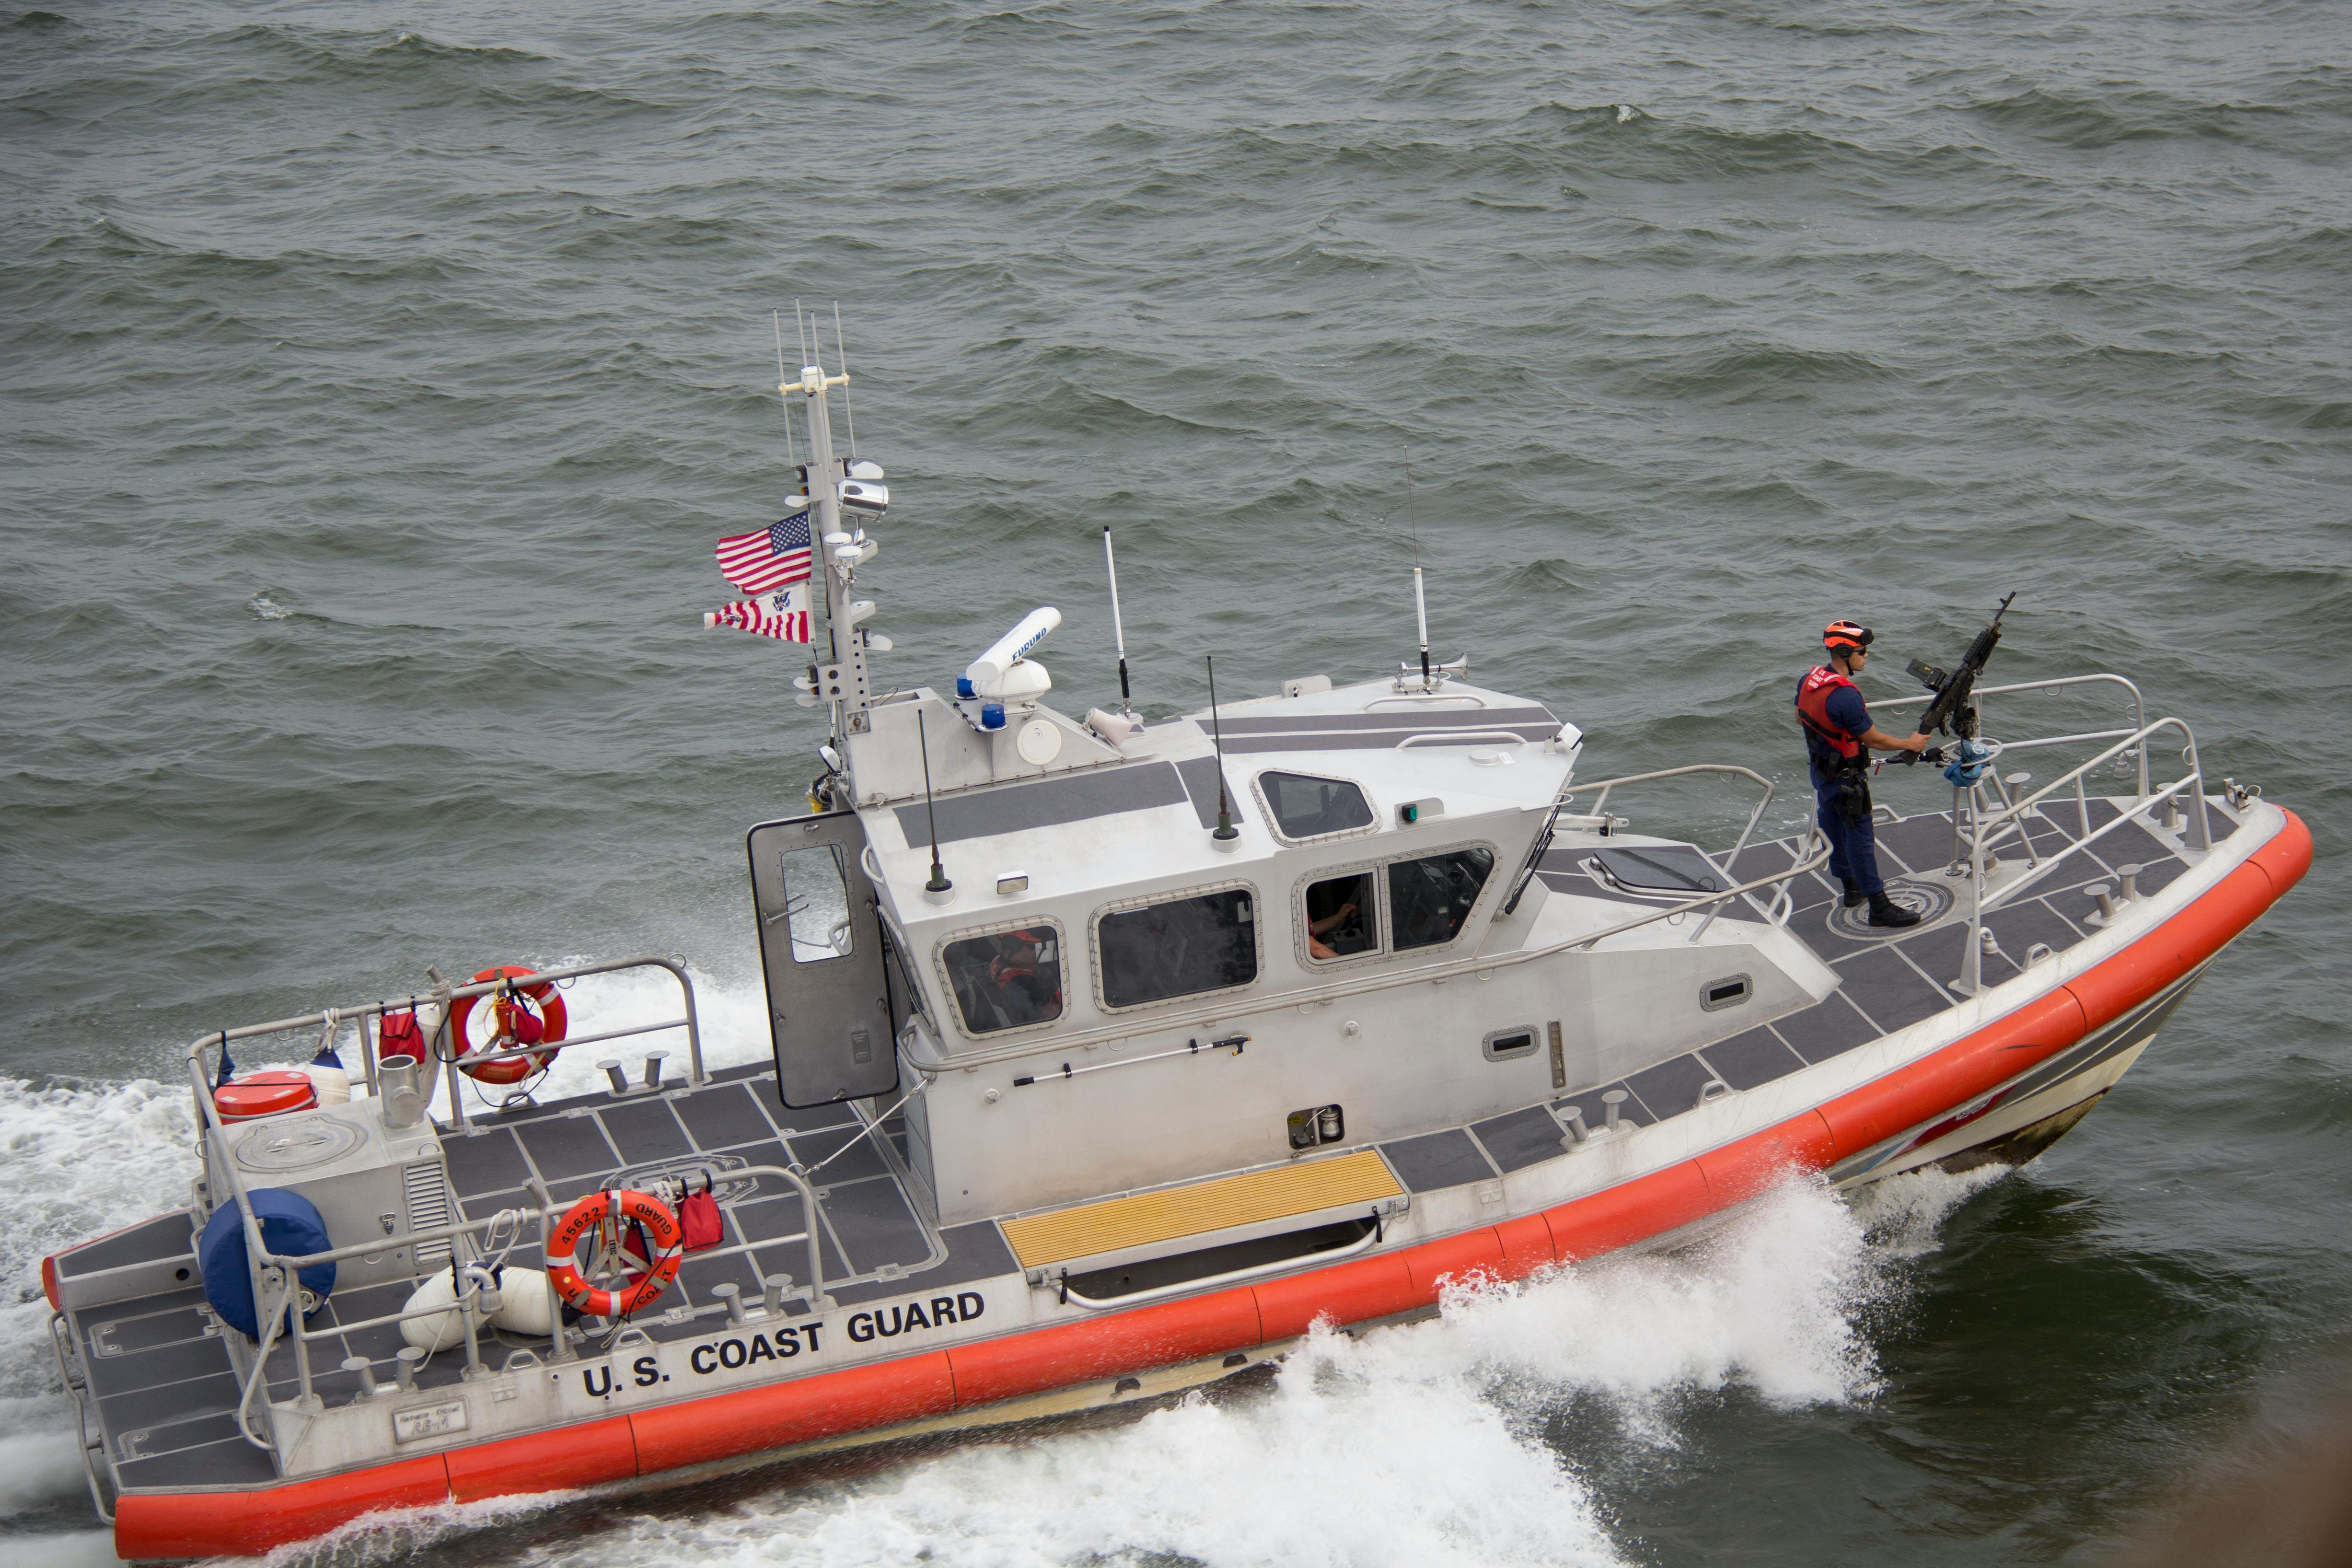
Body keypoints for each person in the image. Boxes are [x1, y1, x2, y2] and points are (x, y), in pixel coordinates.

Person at [1796, 620, 1931, 928]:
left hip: (1821, 775)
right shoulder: (1846, 696)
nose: (1867, 657)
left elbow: (1799, 716)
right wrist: (1911, 743)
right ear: (1845, 653)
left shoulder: (1809, 680)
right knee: (1860, 839)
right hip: (1847, 780)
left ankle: (1851, 890)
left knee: (1832, 827)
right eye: (1862, 651)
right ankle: (1879, 906)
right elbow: (1874, 740)